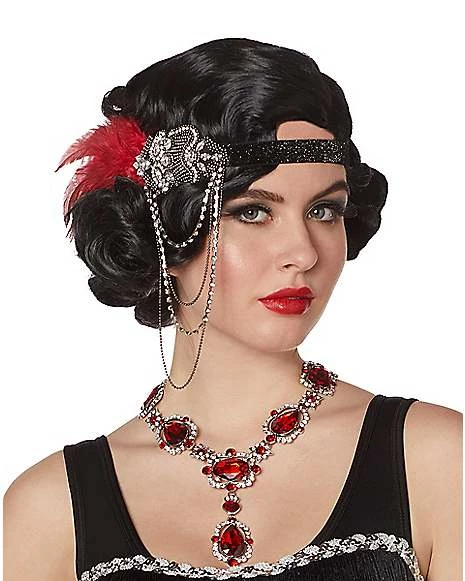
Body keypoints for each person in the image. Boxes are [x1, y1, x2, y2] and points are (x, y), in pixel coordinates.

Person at [3, 37, 462, 581]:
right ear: (166, 229)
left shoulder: (436, 460)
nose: (304, 253)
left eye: (324, 210)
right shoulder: (50, 510)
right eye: (252, 212)